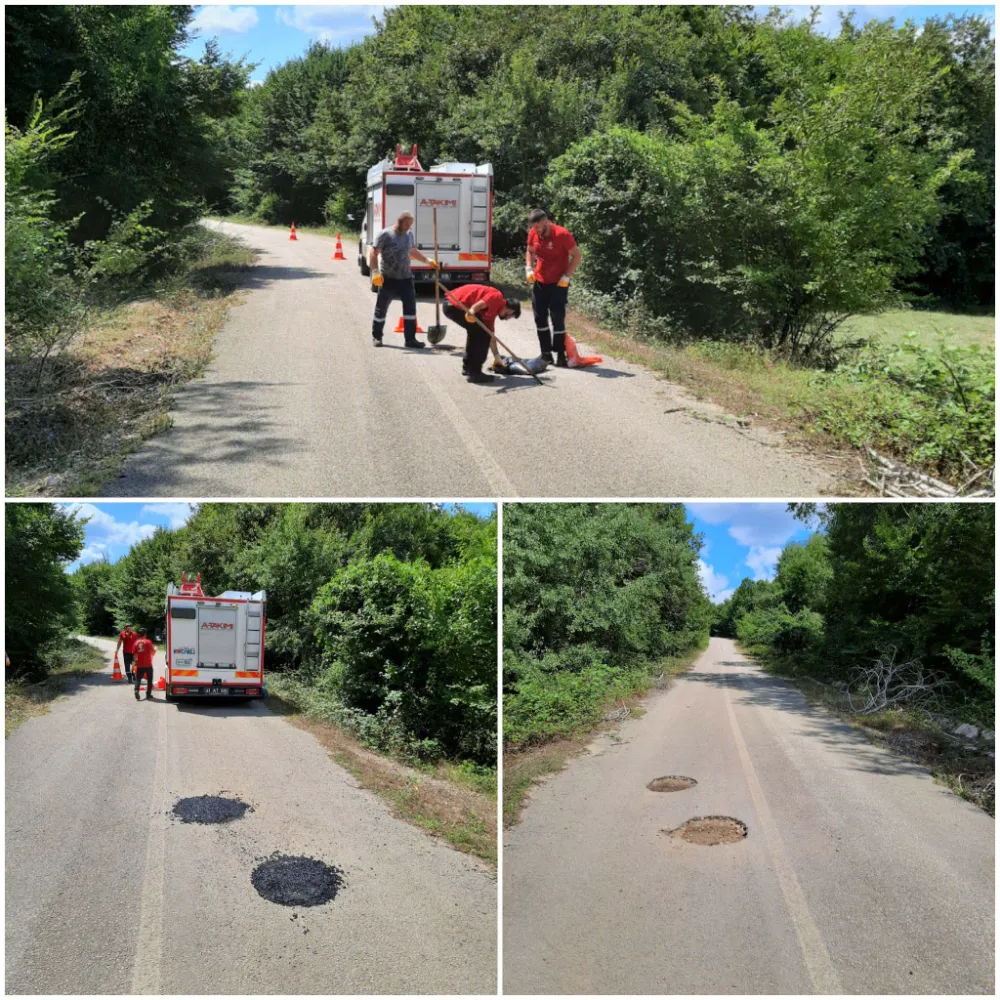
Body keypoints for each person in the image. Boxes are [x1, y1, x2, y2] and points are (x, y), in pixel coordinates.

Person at [368, 211, 440, 349]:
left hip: (406, 278)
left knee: (410, 309)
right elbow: (373, 252)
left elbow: (413, 251)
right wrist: (375, 272)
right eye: (407, 224)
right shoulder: (385, 234)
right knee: (381, 309)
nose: (409, 227)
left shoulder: (409, 234)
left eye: (410, 225)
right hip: (388, 279)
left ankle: (410, 339)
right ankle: (377, 337)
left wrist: (428, 261)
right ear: (400, 221)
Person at [524, 208, 581, 366]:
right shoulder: (533, 233)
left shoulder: (562, 235)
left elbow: (577, 256)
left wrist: (567, 276)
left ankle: (560, 353)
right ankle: (546, 354)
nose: (535, 230)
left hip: (558, 283)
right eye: (533, 227)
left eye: (537, 226)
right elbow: (530, 251)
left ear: (545, 222)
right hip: (540, 281)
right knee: (539, 317)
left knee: (557, 317)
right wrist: (528, 267)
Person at [442, 285, 521, 384]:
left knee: (478, 333)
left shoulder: (491, 314)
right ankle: (475, 373)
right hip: (455, 304)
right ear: (511, 311)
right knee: (482, 335)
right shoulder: (498, 297)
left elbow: (491, 336)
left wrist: (497, 357)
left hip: (451, 306)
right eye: (510, 317)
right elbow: (479, 305)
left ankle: (468, 368)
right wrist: (472, 311)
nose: (507, 319)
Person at [132, 628, 155, 701]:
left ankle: (136, 690)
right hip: (148, 664)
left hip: (140, 664)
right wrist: (154, 650)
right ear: (145, 634)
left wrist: (135, 663)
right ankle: (148, 694)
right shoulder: (148, 642)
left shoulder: (136, 643)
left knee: (138, 679)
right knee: (149, 679)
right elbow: (152, 652)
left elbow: (135, 655)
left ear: (139, 634)